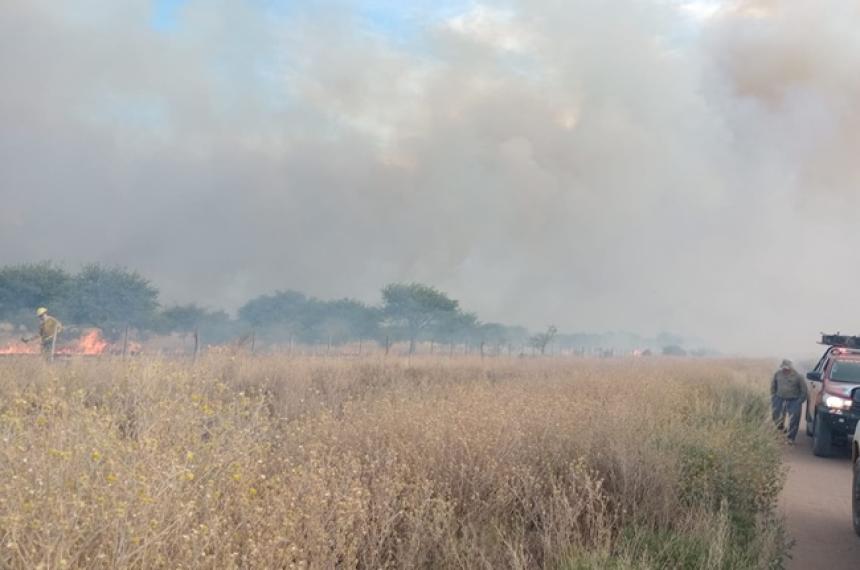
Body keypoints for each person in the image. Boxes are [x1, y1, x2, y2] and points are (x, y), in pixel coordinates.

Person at [771, 359, 807, 444]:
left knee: (794, 419)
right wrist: (774, 396)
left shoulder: (798, 376)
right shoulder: (777, 374)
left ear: (790, 368)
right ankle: (781, 429)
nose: (785, 370)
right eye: (784, 368)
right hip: (779, 398)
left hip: (794, 400)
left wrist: (800, 401)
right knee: (776, 416)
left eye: (787, 368)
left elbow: (804, 390)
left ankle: (791, 438)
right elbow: (773, 385)